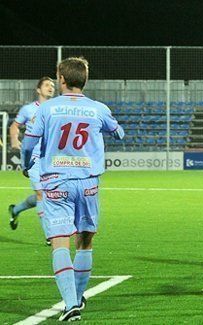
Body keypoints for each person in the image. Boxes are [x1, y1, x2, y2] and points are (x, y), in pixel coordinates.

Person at [22, 57, 125, 321]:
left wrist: (25, 166)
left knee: (59, 243)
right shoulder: (97, 108)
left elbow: (29, 144)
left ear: (62, 80)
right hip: (88, 183)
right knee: (85, 242)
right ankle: (78, 298)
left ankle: (70, 304)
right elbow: (119, 132)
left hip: (57, 181)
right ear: (85, 80)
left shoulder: (47, 109)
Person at [8, 77, 55, 236]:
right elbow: (15, 126)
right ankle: (50, 236)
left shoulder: (55, 108)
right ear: (38, 90)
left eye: (53, 85)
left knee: (46, 195)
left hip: (50, 157)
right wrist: (14, 139)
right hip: (32, 156)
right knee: (42, 193)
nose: (51, 87)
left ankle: (16, 209)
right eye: (47, 85)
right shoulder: (28, 109)